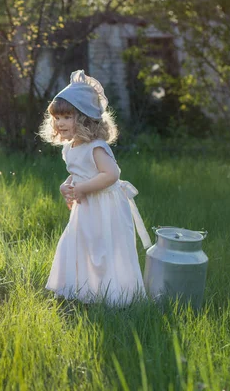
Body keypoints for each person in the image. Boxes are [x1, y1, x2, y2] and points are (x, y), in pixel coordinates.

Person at [39, 70, 151, 306]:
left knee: (104, 248)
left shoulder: (96, 147)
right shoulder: (70, 147)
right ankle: (85, 290)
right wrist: (67, 186)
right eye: (57, 118)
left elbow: (111, 175)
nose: (60, 123)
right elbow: (77, 173)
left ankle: (115, 296)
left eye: (67, 117)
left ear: (84, 118)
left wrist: (83, 189)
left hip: (105, 205)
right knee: (82, 244)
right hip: (87, 204)